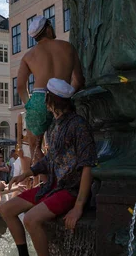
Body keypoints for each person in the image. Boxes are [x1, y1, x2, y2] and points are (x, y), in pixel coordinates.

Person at [3, 78, 97, 256]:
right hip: (51, 186)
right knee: (7, 209)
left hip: (69, 190)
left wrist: (78, 206)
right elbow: (50, 160)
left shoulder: (78, 125)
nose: (43, 103)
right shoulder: (55, 127)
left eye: (45, 99)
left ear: (51, 100)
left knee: (31, 219)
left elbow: (88, 165)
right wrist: (26, 174)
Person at [17, 16, 85, 169]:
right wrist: (68, 92)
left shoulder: (28, 56)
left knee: (35, 148)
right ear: (48, 28)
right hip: (63, 98)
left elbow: (21, 86)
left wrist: (30, 105)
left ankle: (46, 182)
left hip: (39, 97)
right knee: (64, 144)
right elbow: (79, 80)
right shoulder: (68, 47)